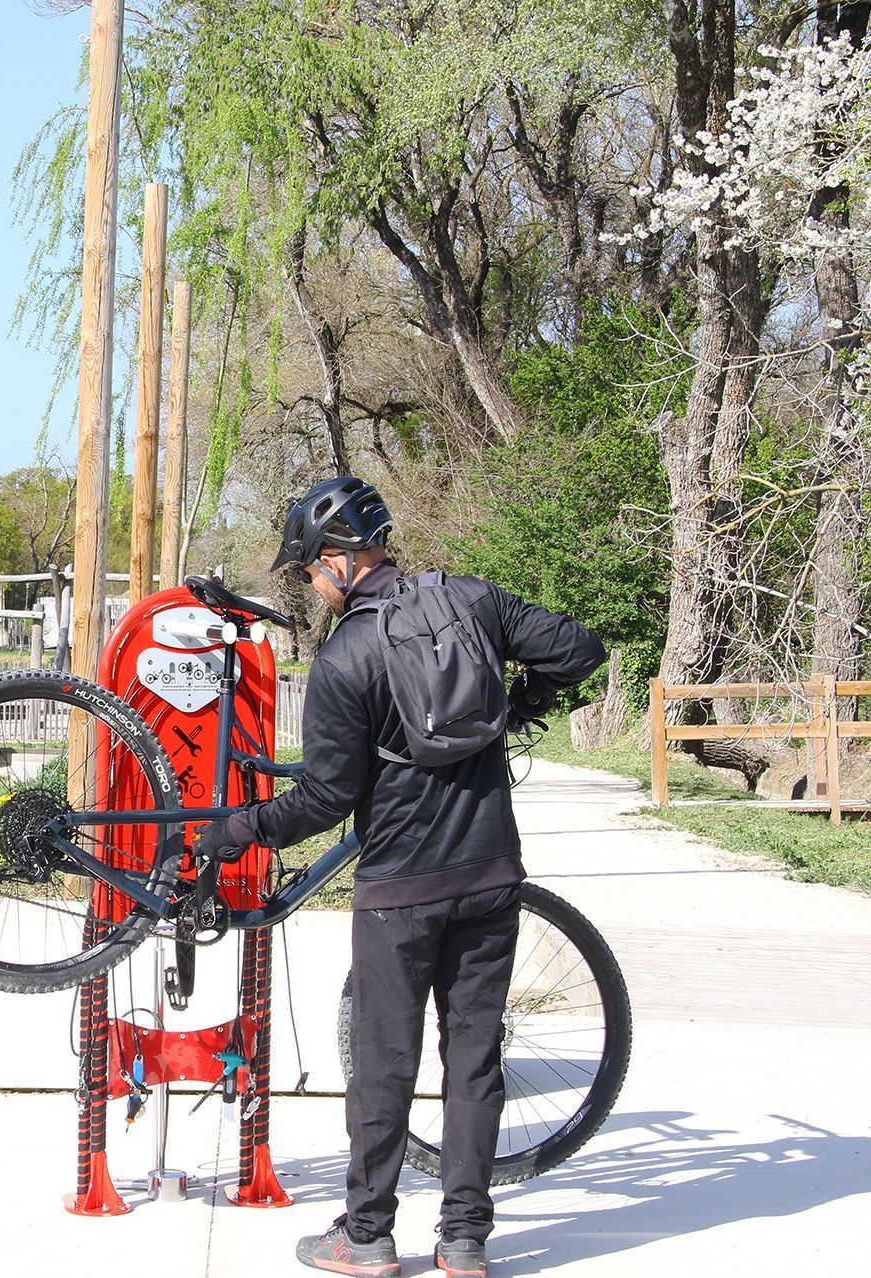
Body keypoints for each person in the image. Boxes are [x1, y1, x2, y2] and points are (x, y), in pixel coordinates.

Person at [194, 475, 605, 1278]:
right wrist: (516, 709)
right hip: (490, 874)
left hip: (398, 895)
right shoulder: (473, 601)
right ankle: (463, 1244)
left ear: (340, 560)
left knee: (384, 1064)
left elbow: (325, 799)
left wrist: (237, 829)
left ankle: (368, 1237)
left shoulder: (346, 655)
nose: (312, 583)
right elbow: (579, 650)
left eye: (311, 568)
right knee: (475, 1060)